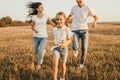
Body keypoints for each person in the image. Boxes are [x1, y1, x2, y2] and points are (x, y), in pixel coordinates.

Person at [66, 0, 98, 69]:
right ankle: (75, 49)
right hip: (75, 30)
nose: (78, 1)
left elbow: (95, 16)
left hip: (84, 31)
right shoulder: (73, 8)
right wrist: (67, 22)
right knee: (75, 46)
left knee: (84, 48)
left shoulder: (87, 7)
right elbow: (69, 16)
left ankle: (81, 63)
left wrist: (95, 22)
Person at [27, 2, 55, 70]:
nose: (43, 8)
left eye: (43, 7)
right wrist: (35, 30)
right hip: (36, 37)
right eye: (41, 7)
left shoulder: (46, 15)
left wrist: (58, 26)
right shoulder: (34, 17)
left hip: (44, 36)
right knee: (36, 51)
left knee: (40, 51)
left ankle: (39, 64)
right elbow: (32, 27)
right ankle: (42, 51)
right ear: (37, 9)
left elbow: (51, 23)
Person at [52, 12, 73, 80]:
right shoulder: (54, 29)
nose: (59, 21)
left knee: (63, 65)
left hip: (64, 49)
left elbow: (71, 39)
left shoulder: (67, 29)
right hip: (56, 48)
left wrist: (65, 42)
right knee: (55, 63)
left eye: (61, 19)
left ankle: (62, 77)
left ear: (64, 20)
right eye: (57, 19)